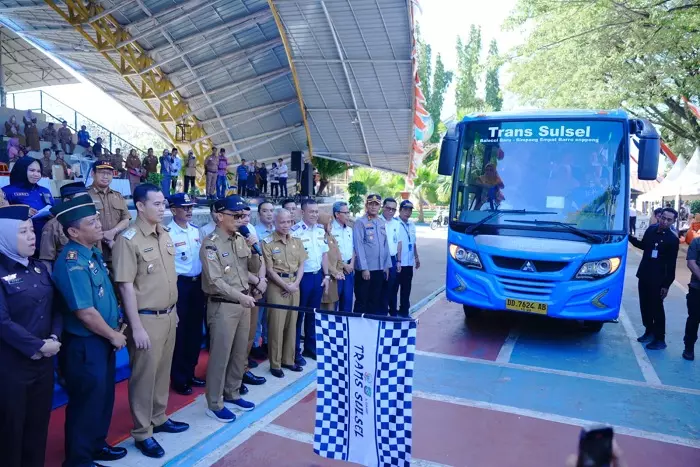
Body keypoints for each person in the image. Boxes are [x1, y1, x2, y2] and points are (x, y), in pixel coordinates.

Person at [112, 184, 188, 458]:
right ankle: (143, 432)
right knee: (144, 378)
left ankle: (159, 417)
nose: (162, 207)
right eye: (156, 203)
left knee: (162, 372)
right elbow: (125, 287)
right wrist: (137, 326)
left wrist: (174, 310)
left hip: (168, 315)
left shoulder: (164, 234)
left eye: (163, 202)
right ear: (140, 206)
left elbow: (170, 278)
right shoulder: (128, 239)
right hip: (146, 319)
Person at [51, 195, 128, 467]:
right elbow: (84, 312)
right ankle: (78, 459)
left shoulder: (92, 253)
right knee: (86, 402)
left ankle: (97, 445)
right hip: (86, 344)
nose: (99, 224)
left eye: (97, 219)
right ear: (73, 231)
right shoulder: (72, 261)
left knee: (103, 397)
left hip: (101, 340)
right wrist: (113, 335)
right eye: (91, 221)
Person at [0, 205, 62, 467]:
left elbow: (57, 308)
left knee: (38, 426)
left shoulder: (39, 268)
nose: (31, 236)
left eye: (31, 231)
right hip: (11, 367)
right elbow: (2, 321)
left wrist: (54, 339)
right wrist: (37, 346)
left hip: (44, 363)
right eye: (23, 232)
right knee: (11, 430)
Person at [199, 195, 261, 423]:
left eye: (242, 215)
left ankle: (232, 393)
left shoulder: (239, 239)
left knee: (238, 353)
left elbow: (251, 268)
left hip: (244, 303)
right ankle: (214, 403)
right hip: (223, 305)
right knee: (221, 355)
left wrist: (255, 248)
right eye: (235, 215)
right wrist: (240, 297)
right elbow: (215, 281)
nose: (240, 219)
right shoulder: (211, 242)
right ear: (220, 216)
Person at [167, 193, 207, 395]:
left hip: (197, 284)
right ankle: (179, 378)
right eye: (185, 208)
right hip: (179, 285)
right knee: (180, 333)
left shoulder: (196, 231)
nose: (189, 211)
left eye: (191, 207)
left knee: (194, 332)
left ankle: (191, 372)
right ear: (174, 210)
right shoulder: (168, 233)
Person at [629, 207, 679, 350]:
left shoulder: (672, 239)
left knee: (656, 308)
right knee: (644, 306)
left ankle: (660, 339)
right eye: (663, 217)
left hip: (658, 279)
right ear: (659, 216)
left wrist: (666, 285)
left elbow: (671, 265)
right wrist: (630, 238)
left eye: (669, 220)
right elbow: (644, 245)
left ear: (673, 221)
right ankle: (649, 331)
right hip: (644, 274)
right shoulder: (651, 230)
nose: (664, 221)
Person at [263, 208, 305, 377]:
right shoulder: (267, 243)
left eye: (289, 222)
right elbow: (269, 270)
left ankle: (289, 359)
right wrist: (285, 286)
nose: (286, 225)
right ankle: (275, 363)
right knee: (276, 326)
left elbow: (302, 264)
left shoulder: (297, 241)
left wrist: (295, 284)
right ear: (274, 222)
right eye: (282, 222)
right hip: (277, 287)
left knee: (292, 324)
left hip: (295, 285)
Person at [291, 199, 330, 363]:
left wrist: (327, 275)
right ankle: (294, 351)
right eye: (311, 211)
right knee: (298, 316)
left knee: (313, 315)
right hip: (302, 278)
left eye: (316, 211)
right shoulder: (295, 232)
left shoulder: (321, 230)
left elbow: (324, 254)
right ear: (302, 212)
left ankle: (310, 348)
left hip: (317, 277)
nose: (314, 214)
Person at [2, 157, 55, 253]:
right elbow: (2, 218)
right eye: (32, 170)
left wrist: (53, 213)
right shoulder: (6, 191)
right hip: (21, 241)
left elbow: (54, 208)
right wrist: (23, 211)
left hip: (47, 239)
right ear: (21, 170)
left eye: (39, 171)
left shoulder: (44, 191)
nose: (36, 174)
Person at [353, 194, 391, 315]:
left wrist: (386, 265)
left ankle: (370, 329)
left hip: (378, 269)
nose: (373, 207)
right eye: (371, 204)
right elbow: (358, 246)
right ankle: (357, 328)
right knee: (362, 301)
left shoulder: (380, 222)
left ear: (380, 206)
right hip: (366, 270)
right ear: (366, 205)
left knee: (374, 301)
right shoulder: (360, 222)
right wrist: (364, 268)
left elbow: (385, 245)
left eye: (376, 204)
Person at [88, 159, 132, 264]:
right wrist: (105, 237)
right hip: (94, 250)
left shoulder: (118, 196)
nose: (106, 176)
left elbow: (126, 219)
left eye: (109, 173)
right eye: (102, 172)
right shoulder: (85, 196)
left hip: (116, 249)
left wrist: (113, 232)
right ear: (93, 173)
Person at [39, 182, 88, 271]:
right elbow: (46, 261)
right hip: (66, 274)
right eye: (81, 199)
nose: (85, 203)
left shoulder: (91, 221)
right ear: (66, 201)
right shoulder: (52, 226)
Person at [251, 201, 275, 359]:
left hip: (275, 280)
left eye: (271, 211)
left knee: (270, 314)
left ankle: (267, 342)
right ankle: (254, 345)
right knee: (257, 316)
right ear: (259, 214)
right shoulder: (254, 232)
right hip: (260, 279)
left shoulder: (277, 229)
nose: (269, 214)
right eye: (265, 211)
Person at [396, 200, 420, 317]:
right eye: (405, 209)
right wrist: (398, 261)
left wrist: (416, 257)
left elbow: (413, 242)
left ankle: (404, 311)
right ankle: (392, 311)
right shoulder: (395, 224)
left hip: (409, 263)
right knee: (393, 289)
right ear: (400, 210)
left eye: (410, 210)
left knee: (406, 289)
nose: (408, 212)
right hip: (397, 263)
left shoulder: (412, 225)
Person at [331, 201, 355, 312]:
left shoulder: (350, 229)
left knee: (347, 301)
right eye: (345, 213)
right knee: (334, 302)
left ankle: (345, 327)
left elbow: (353, 249)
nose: (348, 215)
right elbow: (330, 253)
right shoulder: (329, 229)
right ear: (337, 214)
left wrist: (351, 264)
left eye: (348, 212)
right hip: (336, 270)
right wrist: (343, 265)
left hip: (349, 270)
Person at [380, 198, 400, 315]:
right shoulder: (377, 221)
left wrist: (398, 261)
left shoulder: (396, 224)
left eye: (393, 209)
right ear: (383, 207)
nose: (391, 211)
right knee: (380, 290)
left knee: (391, 289)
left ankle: (390, 315)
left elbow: (398, 243)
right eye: (388, 208)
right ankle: (380, 315)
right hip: (380, 261)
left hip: (392, 260)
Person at [320, 212, 343, 311]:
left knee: (332, 305)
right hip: (326, 275)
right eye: (329, 224)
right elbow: (323, 258)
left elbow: (338, 254)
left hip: (335, 277)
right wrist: (335, 272)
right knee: (325, 305)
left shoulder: (331, 236)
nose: (331, 226)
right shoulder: (321, 237)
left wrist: (339, 269)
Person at [684, 235, 700, 361]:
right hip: (697, 289)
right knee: (694, 320)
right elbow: (691, 263)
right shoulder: (697, 242)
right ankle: (689, 348)